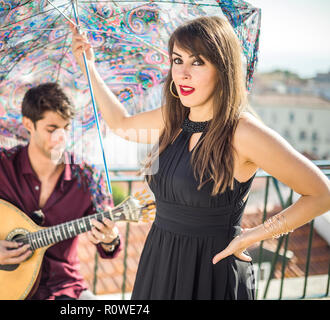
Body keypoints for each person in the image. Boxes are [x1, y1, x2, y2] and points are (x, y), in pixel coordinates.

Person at [70, 16, 330, 299]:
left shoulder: (243, 132)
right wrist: (89, 65)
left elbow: (321, 194)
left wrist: (255, 235)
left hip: (211, 273)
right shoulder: (174, 119)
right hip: (159, 262)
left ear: (222, 69)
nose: (182, 74)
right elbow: (120, 124)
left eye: (197, 62)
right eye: (177, 60)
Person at [0, 82, 122, 300]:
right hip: (1, 287)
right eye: (51, 129)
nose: (61, 138)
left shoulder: (88, 177)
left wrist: (110, 238)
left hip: (63, 288)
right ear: (28, 124)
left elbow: (110, 248)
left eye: (66, 128)